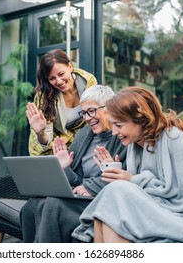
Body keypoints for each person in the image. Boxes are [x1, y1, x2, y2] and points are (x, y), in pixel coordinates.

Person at [72, 86, 183, 243]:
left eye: (118, 125)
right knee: (108, 209)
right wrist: (123, 176)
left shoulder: (174, 138)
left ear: (140, 119)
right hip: (159, 207)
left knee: (116, 192)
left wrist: (132, 180)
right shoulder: (136, 145)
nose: (114, 132)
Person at [20, 85, 127, 242]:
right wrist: (65, 168)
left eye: (91, 110)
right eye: (83, 113)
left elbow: (126, 180)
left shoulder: (123, 137)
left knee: (53, 204)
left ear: (109, 107)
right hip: (79, 197)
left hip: (101, 201)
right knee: (33, 204)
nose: (87, 118)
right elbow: (77, 181)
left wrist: (91, 186)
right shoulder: (84, 135)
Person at [27, 49, 97, 156]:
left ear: (70, 67)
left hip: (84, 143)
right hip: (54, 148)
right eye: (52, 78)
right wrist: (41, 132)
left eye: (61, 74)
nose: (59, 81)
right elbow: (46, 138)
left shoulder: (88, 83)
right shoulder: (45, 96)